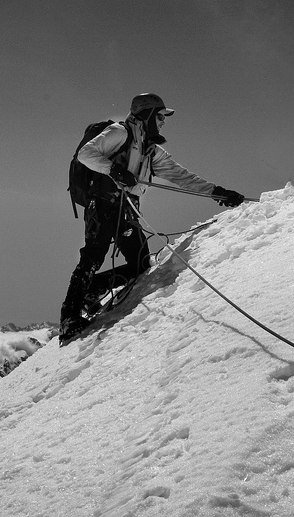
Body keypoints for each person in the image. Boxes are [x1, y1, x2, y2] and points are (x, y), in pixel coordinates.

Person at [59, 93, 246, 341]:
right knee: (93, 256)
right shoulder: (119, 133)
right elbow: (86, 154)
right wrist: (114, 170)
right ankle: (69, 319)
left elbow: (182, 177)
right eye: (160, 116)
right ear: (146, 115)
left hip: (127, 209)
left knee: (141, 265)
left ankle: (92, 290)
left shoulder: (151, 151)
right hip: (103, 204)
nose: (163, 122)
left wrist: (217, 192)